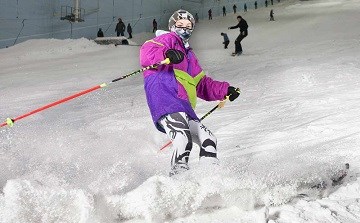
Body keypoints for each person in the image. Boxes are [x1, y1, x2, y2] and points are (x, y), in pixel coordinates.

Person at [140, 10, 240, 176]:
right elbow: (147, 51)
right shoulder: (166, 39)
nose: (184, 30)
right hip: (165, 97)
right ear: (172, 26)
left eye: (188, 26)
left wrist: (224, 90)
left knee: (209, 140)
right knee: (182, 138)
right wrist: (166, 54)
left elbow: (201, 83)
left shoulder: (189, 55)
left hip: (183, 104)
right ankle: (177, 183)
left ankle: (210, 181)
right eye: (180, 26)